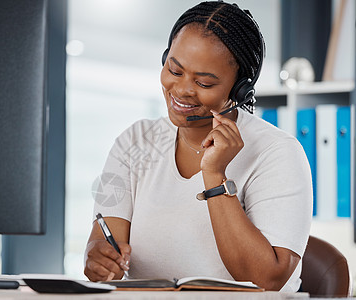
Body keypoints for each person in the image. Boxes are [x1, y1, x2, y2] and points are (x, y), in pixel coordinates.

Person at [84, 0, 312, 292]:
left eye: (204, 83)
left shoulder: (277, 153)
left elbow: (268, 279)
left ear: (240, 89)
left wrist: (215, 175)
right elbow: (105, 241)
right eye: (175, 70)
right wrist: (98, 258)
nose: (181, 90)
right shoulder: (134, 141)